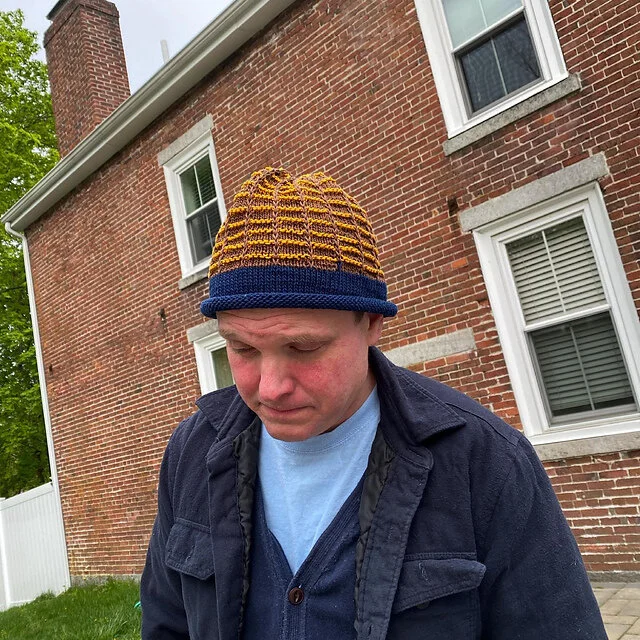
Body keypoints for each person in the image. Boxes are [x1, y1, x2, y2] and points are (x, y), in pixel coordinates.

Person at [140, 167, 606, 639]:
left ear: (371, 323)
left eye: (303, 348)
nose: (272, 386)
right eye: (242, 349)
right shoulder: (192, 453)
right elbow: (166, 624)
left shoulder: (485, 464)